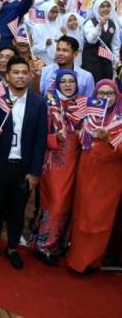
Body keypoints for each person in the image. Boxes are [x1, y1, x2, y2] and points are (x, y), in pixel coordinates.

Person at [0, 56, 47, 269]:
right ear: (7, 76)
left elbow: (40, 140)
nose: (20, 76)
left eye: (23, 73)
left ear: (29, 75)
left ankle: (12, 247)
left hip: (22, 167)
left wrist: (35, 172)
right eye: (15, 72)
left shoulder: (38, 103)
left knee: (17, 210)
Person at [29, 69, 85, 265]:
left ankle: (56, 244)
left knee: (68, 204)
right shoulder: (49, 104)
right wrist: (55, 138)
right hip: (54, 163)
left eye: (71, 81)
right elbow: (37, 134)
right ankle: (45, 245)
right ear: (58, 84)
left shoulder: (83, 105)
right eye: (64, 82)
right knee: (56, 202)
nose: (68, 85)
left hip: (77, 163)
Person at [67, 80, 122, 273]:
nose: (105, 97)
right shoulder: (89, 116)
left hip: (110, 176)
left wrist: (108, 139)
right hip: (86, 169)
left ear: (117, 96)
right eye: (101, 93)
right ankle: (77, 259)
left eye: (110, 94)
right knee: (83, 214)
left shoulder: (120, 119)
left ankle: (92, 260)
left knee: (100, 218)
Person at [81, 0, 120, 82]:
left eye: (108, 6)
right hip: (91, 60)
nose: (105, 9)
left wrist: (116, 61)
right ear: (97, 8)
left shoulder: (113, 24)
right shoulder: (90, 22)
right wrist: (99, 25)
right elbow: (91, 40)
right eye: (102, 6)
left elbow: (115, 44)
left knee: (107, 83)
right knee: (93, 83)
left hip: (106, 60)